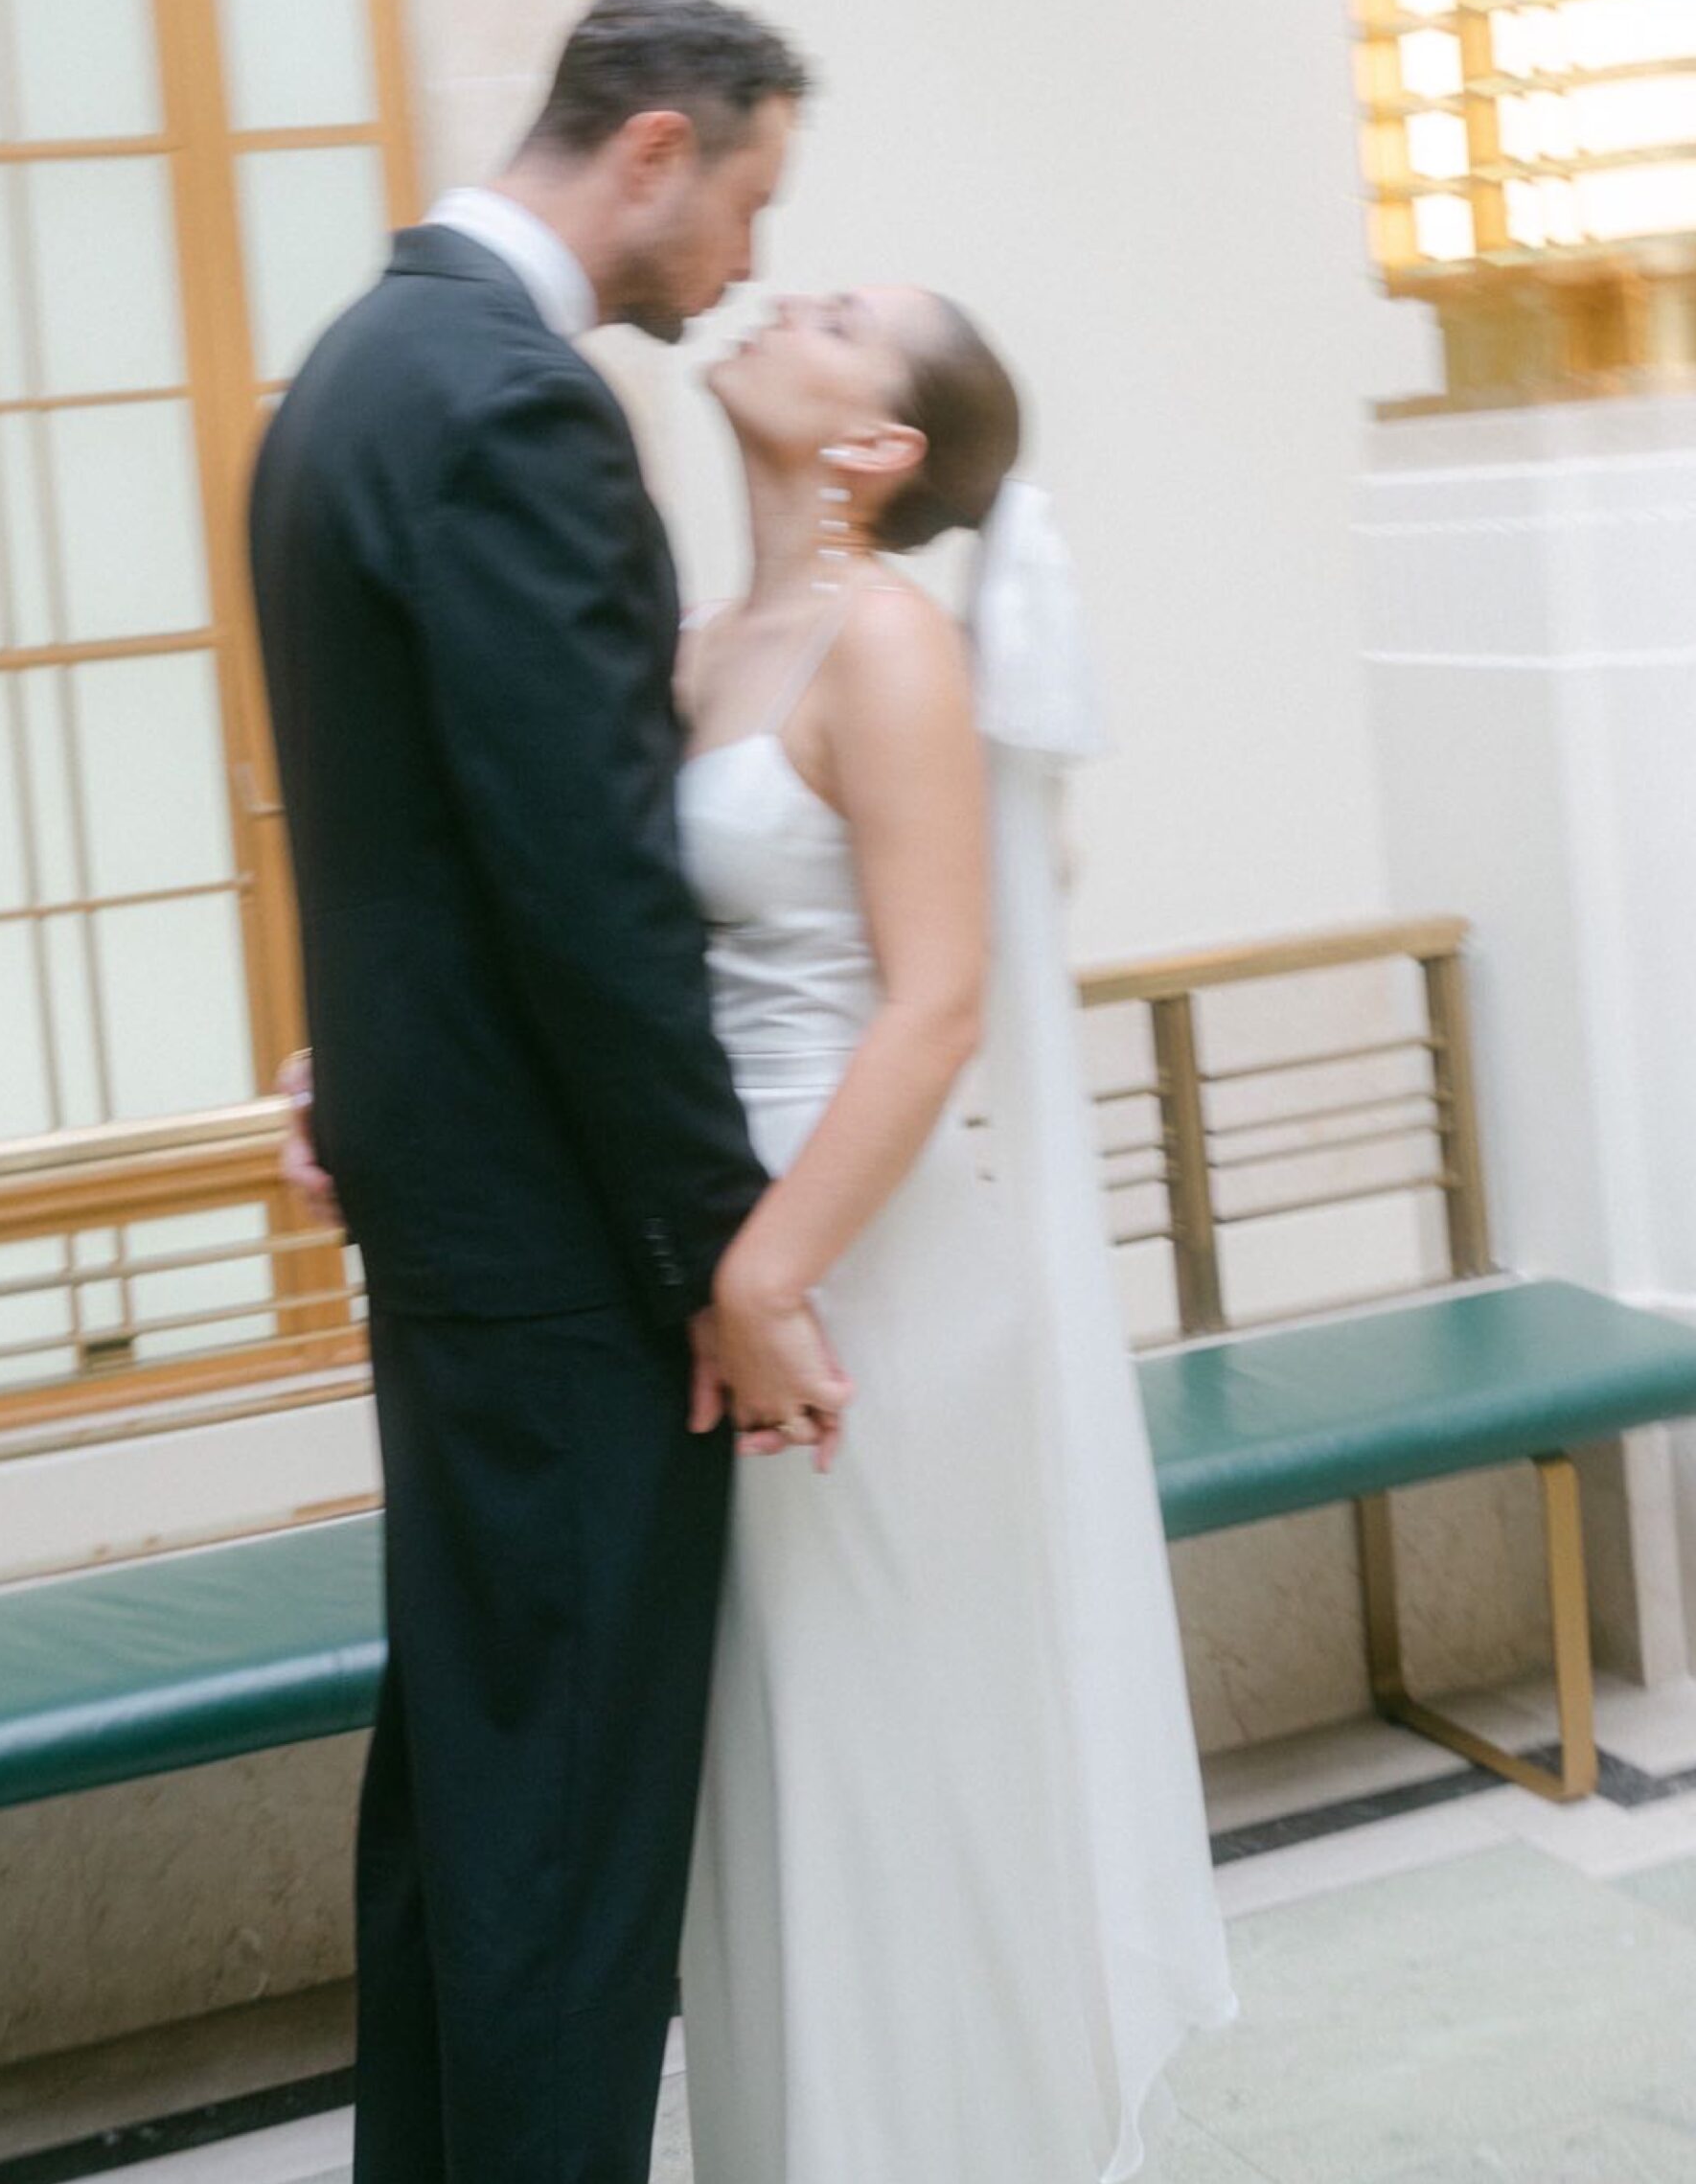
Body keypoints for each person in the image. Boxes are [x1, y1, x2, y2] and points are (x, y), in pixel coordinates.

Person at [248, 0, 844, 2184]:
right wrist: (719, 1250)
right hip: (560, 1240)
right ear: (660, 148)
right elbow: (580, 872)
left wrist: (357, 1055)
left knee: (477, 1793)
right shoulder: (515, 398)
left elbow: (399, 830)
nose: (747, 268)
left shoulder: (355, 369)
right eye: (751, 202)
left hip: (455, 1198)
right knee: (567, 1846)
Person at [674, 287, 1235, 2181]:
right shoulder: (699, 648)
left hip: (868, 1273)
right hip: (727, 1270)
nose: (773, 300)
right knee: (782, 1783)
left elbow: (934, 1005)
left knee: (894, 1765)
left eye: (834, 317)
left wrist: (769, 1274)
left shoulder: (888, 641)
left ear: (875, 448)